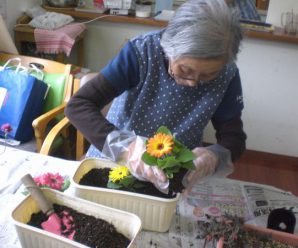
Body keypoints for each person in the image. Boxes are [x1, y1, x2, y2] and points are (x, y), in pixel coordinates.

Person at [65, 0, 247, 192]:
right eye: (185, 70)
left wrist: (214, 156)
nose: (193, 83)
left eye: (208, 75)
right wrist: (126, 148)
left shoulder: (227, 74)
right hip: (116, 163)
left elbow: (234, 138)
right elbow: (78, 105)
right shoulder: (141, 53)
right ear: (169, 48)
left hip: (175, 174)